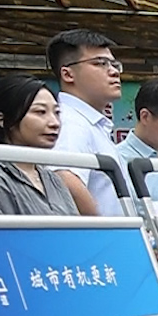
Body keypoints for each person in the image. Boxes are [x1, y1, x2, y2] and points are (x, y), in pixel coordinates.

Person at [0, 77, 82, 216]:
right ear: (2, 120)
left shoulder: (52, 178)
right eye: (40, 112)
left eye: (57, 112)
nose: (54, 123)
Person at [47, 29, 127, 215]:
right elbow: (64, 178)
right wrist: (100, 226)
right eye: (100, 63)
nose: (114, 72)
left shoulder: (89, 122)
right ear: (68, 74)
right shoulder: (70, 122)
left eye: (114, 64)